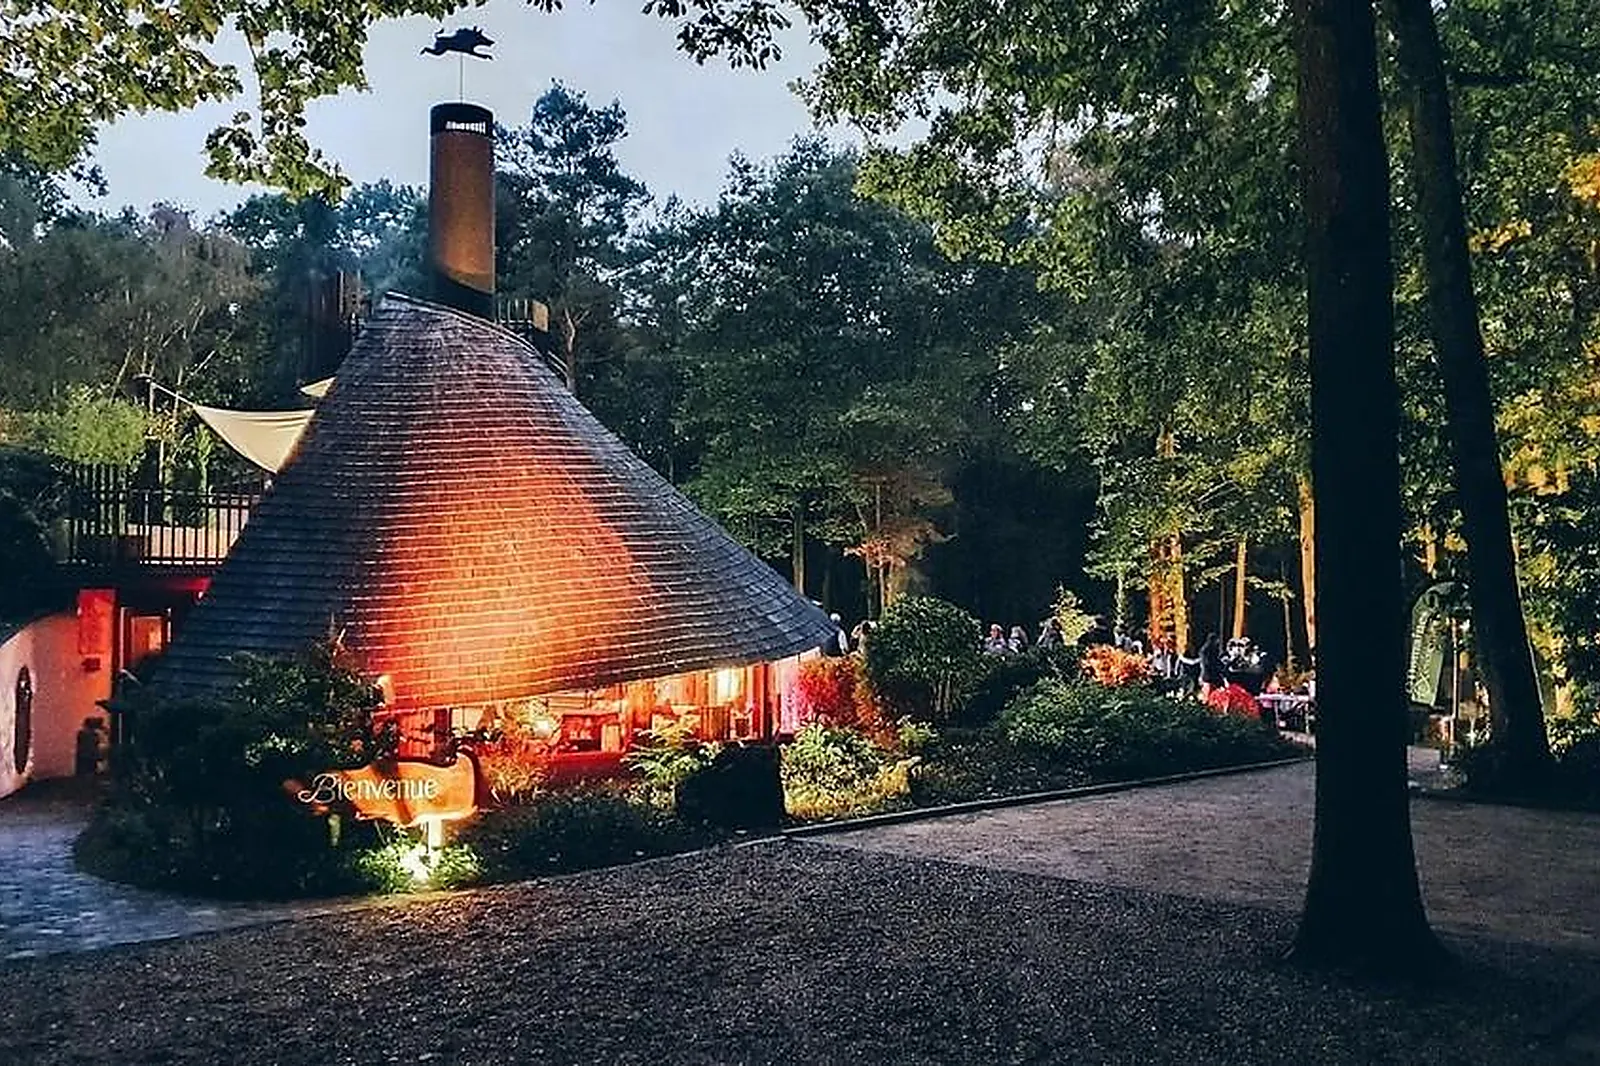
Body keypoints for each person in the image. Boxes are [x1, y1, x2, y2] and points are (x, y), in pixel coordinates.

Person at [1199, 632, 1225, 699]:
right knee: (1208, 693)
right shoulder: (1207, 650)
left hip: (1210, 675)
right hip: (1209, 675)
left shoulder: (1208, 649)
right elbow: (1208, 663)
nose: (1218, 642)